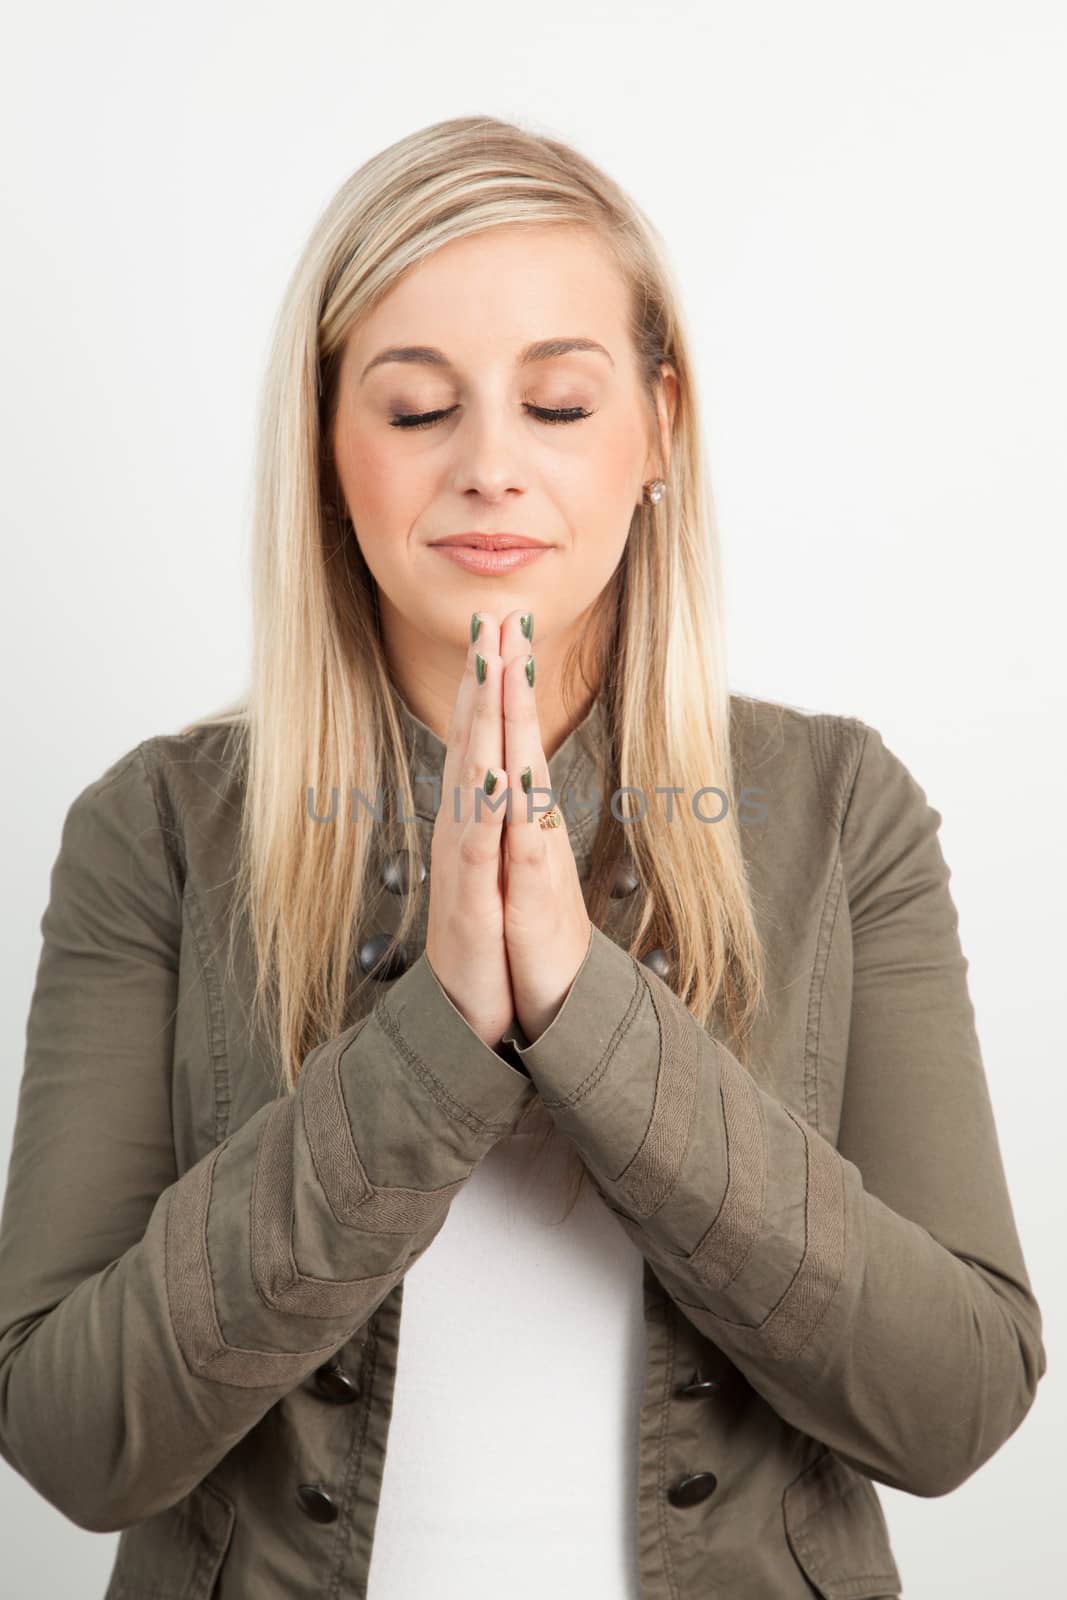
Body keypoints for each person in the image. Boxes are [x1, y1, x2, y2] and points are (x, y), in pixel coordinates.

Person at [0, 114, 1045, 1600]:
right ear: (325, 443)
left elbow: (956, 1405)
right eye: (419, 409)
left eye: (557, 403)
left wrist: (586, 1013)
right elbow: (68, 1436)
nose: (491, 468)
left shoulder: (837, 809)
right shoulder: (156, 831)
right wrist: (436, 1033)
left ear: (658, 430)